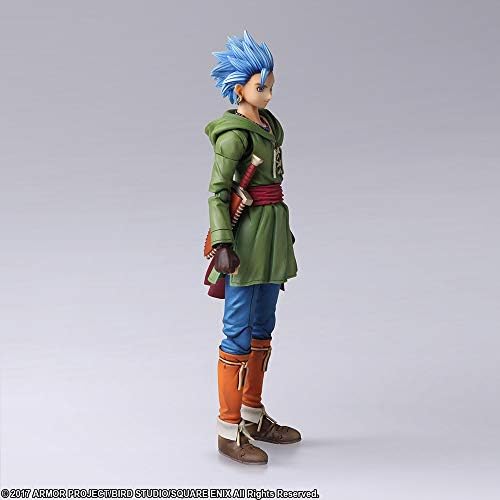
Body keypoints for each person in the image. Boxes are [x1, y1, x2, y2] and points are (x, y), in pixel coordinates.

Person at [204, 31, 301, 465]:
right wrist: (223, 242)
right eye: (261, 86)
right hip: (245, 239)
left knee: (263, 327)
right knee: (237, 329)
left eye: (270, 86)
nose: (269, 94)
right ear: (239, 88)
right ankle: (229, 429)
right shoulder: (234, 136)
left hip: (272, 235)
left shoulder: (269, 127)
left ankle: (252, 415)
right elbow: (218, 192)